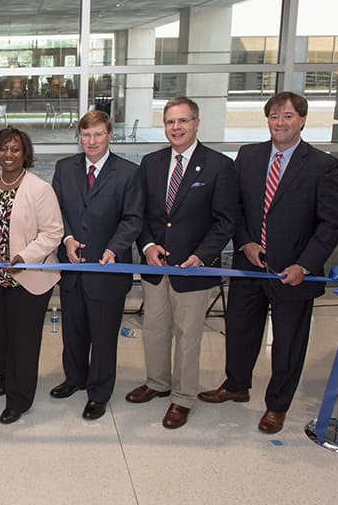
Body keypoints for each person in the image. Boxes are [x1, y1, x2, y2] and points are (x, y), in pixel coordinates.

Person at [199, 91, 338, 433]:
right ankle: (236, 385)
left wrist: (305, 266)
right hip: (250, 265)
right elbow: (236, 209)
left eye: (287, 116)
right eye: (274, 116)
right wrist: (245, 242)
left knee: (288, 344)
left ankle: (277, 405)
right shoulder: (249, 156)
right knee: (241, 331)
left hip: (293, 273)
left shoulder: (323, 165)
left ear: (302, 120)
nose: (280, 123)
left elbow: (331, 223)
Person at [125, 96, 237, 429]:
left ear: (197, 123)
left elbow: (225, 221)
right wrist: (146, 246)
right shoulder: (151, 163)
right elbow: (139, 214)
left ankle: (183, 397)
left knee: (188, 336)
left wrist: (202, 255)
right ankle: (158, 383)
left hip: (194, 269)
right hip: (156, 268)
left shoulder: (219, 166)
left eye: (183, 121)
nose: (177, 128)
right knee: (155, 331)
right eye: (171, 122)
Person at [50, 111, 143, 420]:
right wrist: (68, 238)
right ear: (80, 137)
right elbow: (56, 211)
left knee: (103, 337)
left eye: (98, 134)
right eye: (86, 135)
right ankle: (74, 378)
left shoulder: (129, 172)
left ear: (109, 136)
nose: (91, 141)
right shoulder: (65, 169)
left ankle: (99, 392)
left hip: (107, 270)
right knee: (73, 332)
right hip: (73, 267)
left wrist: (114, 249)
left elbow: (133, 219)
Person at [0, 127, 63, 424]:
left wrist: (24, 257)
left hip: (28, 277)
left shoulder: (39, 188)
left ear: (25, 154)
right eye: (3, 149)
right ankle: (5, 378)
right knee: (0, 335)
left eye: (15, 149)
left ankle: (20, 398)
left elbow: (53, 233)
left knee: (23, 341)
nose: (9, 154)